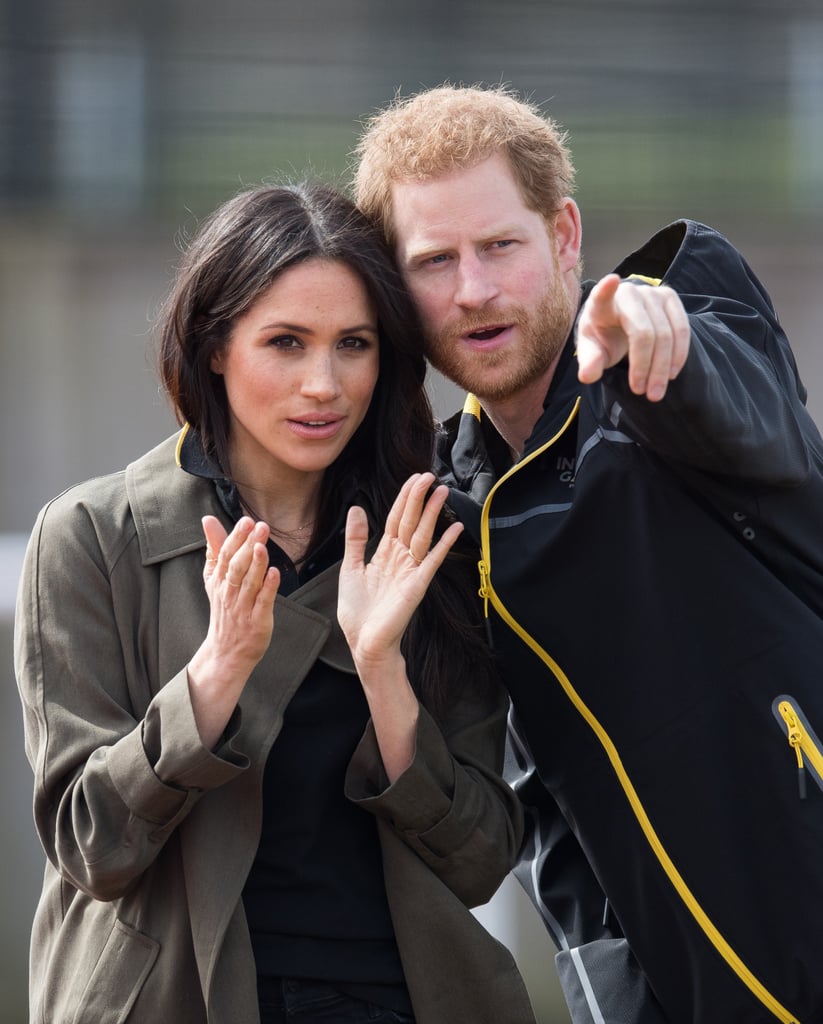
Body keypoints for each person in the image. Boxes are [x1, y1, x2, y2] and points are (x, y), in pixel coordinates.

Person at [13, 181, 539, 1024]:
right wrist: (217, 675)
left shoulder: (433, 541)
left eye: (353, 344)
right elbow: (92, 848)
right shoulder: (91, 538)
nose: (323, 384)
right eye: (286, 343)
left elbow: (478, 861)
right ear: (215, 346)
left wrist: (381, 673)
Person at [352, 83, 823, 1024]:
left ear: (563, 236)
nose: (473, 290)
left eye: (500, 246)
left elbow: (752, 415)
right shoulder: (444, 512)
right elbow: (539, 817)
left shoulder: (674, 334)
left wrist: (665, 348)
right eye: (433, 261)